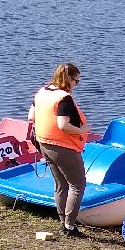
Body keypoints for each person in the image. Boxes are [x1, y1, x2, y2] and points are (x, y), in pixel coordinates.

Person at [28, 63, 89, 238]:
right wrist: (82, 130)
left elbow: (31, 116)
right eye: (76, 81)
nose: (76, 85)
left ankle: (63, 222)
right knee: (77, 185)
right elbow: (63, 125)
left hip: (44, 144)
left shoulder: (43, 92)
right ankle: (69, 226)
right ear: (69, 79)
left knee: (61, 184)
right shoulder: (64, 98)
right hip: (63, 147)